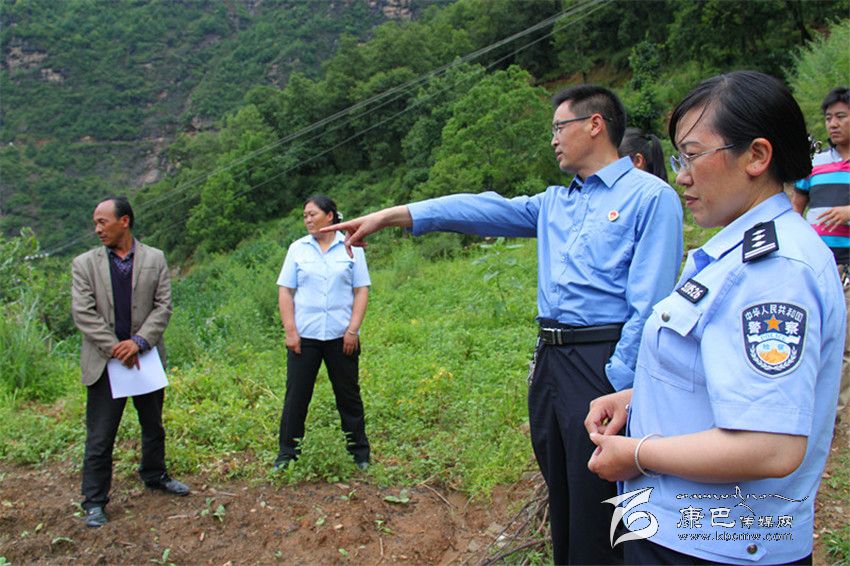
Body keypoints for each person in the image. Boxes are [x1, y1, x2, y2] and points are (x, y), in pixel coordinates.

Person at [328, 86, 683, 564]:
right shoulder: (554, 204)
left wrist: (619, 383)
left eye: (559, 127)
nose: (553, 139)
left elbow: (650, 303)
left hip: (602, 362)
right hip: (552, 363)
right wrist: (395, 216)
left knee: (601, 501)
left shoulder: (650, 197)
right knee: (563, 493)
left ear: (594, 125)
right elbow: (482, 208)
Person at [585, 71, 846, 565]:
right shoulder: (738, 253)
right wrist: (639, 399)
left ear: (756, 156)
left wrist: (636, 453)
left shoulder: (773, 270)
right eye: (678, 158)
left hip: (714, 545)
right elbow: (727, 379)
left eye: (692, 155)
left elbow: (769, 444)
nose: (681, 176)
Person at [71, 196, 189, 529]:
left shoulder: (154, 258)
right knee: (100, 435)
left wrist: (138, 342)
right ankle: (94, 501)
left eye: (102, 222)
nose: (97, 229)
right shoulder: (84, 264)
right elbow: (83, 313)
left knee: (153, 424)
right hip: (105, 363)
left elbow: (163, 306)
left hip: (145, 358)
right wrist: (116, 348)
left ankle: (155, 474)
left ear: (124, 221)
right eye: (95, 223)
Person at [274, 195, 371, 472]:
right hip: (305, 337)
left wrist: (353, 330)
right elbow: (285, 291)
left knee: (348, 395)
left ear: (330, 216)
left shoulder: (352, 247)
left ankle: (359, 453)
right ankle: (287, 454)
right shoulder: (298, 249)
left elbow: (361, 290)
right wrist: (291, 331)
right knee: (296, 397)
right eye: (305, 215)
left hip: (342, 336)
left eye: (312, 214)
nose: (307, 219)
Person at [792, 86, 850, 416]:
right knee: (812, 335)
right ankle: (807, 408)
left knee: (843, 344)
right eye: (829, 118)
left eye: (841, 116)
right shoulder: (815, 163)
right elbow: (795, 207)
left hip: (848, 266)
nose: (833, 124)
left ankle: (832, 415)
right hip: (815, 266)